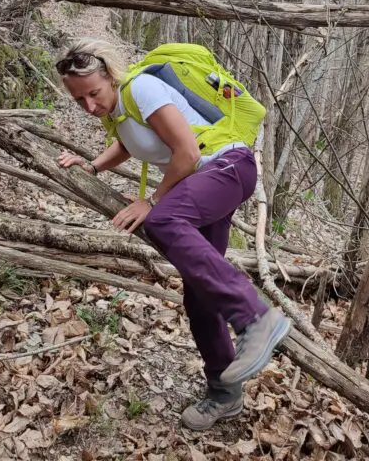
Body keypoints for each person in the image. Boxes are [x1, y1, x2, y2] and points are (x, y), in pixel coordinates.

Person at [54, 38, 291, 431]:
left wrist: (151, 202)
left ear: (111, 77)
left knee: (162, 220)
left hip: (227, 167)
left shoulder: (141, 88)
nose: (89, 107)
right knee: (198, 295)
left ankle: (255, 318)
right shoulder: (118, 110)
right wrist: (92, 167)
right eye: (79, 101)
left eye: (93, 94)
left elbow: (186, 153)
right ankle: (224, 393)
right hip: (203, 182)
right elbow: (129, 144)